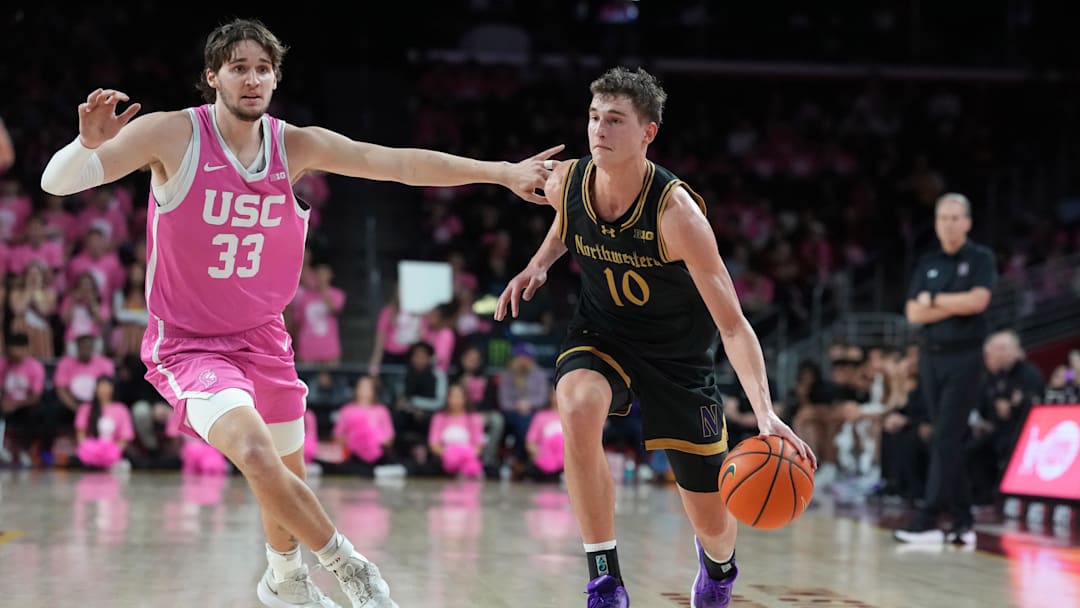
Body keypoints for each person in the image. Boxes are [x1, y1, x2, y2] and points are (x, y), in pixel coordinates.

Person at [40, 17, 561, 608]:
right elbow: (59, 183)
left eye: (263, 68)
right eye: (238, 67)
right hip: (189, 344)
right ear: (212, 77)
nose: (253, 79)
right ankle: (351, 569)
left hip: (264, 338)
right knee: (259, 456)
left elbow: (395, 162)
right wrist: (86, 144)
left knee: (285, 482)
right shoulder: (173, 135)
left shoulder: (296, 145)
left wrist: (500, 173)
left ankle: (284, 578)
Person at [495, 66, 815, 608]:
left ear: (648, 133)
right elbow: (565, 218)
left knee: (713, 518)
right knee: (574, 403)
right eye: (595, 117)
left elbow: (734, 324)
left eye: (615, 121)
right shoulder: (568, 180)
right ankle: (604, 578)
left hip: (678, 358)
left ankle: (718, 571)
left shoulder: (677, 215)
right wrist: (540, 262)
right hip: (602, 333)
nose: (599, 130)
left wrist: (764, 414)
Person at [895, 192, 997, 546]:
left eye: (956, 218)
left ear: (968, 222)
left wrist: (935, 301)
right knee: (946, 440)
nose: (949, 224)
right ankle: (963, 520)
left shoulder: (981, 258)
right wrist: (956, 304)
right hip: (930, 357)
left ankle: (929, 516)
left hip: (965, 357)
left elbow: (978, 301)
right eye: (943, 218)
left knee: (944, 437)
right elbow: (912, 313)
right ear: (936, 223)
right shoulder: (928, 262)